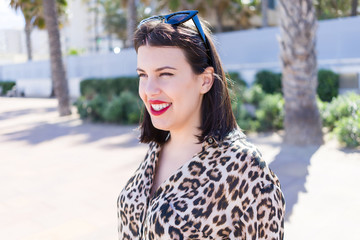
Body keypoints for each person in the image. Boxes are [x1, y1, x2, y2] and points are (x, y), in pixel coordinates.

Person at [117, 10, 285, 240]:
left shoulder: (244, 168)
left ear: (205, 80)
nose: (149, 90)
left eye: (165, 74)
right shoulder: (157, 149)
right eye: (143, 75)